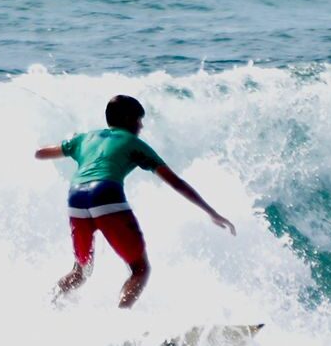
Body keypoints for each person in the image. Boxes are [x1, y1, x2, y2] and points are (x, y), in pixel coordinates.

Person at [35, 94, 235, 308]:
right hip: (105, 194)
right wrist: (211, 212)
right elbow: (175, 182)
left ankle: (45, 306)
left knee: (81, 271)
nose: (140, 126)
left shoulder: (85, 138)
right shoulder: (134, 143)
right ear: (128, 119)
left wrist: (73, 144)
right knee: (140, 270)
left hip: (76, 197)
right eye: (138, 120)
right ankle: (119, 325)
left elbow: (40, 153)